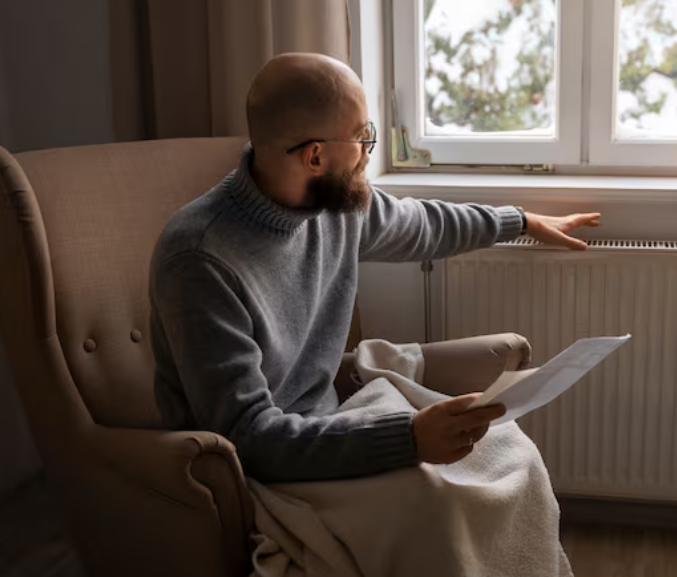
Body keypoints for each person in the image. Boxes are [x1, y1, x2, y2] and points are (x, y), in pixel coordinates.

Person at [149, 52, 601, 483]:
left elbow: (424, 224)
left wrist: (519, 221)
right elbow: (246, 437)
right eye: (362, 136)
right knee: (446, 500)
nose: (368, 151)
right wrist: (407, 439)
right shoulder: (199, 260)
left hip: (329, 423)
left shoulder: (333, 206)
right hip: (261, 471)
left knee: (508, 458)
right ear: (316, 157)